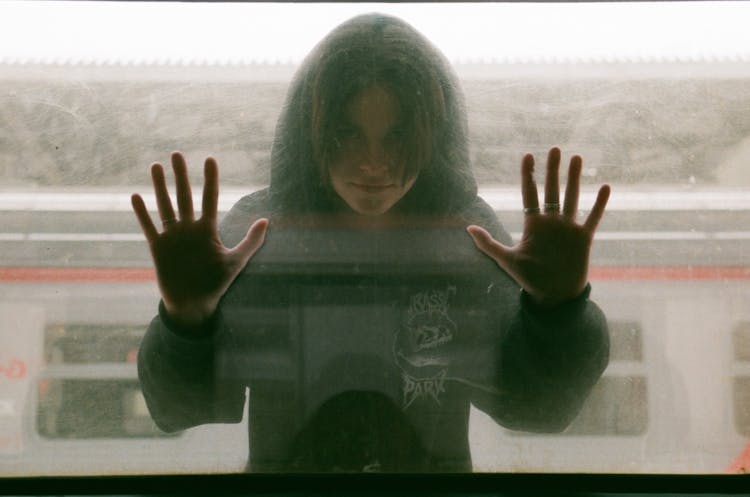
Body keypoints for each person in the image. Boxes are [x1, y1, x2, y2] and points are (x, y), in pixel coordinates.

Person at [132, 13, 611, 472]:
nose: (374, 163)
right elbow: (180, 410)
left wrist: (558, 311)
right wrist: (185, 320)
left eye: (399, 136)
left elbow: (537, 408)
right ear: (312, 133)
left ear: (434, 135)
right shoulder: (261, 236)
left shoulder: (467, 237)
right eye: (348, 134)